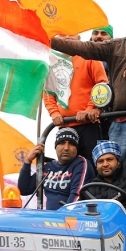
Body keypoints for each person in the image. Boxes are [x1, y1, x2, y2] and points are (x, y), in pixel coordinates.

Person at [51, 10, 126, 166]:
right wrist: (50, 41)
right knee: (113, 171)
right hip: (118, 123)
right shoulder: (116, 46)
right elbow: (84, 48)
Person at [43, 34, 108, 165]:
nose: (67, 37)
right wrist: (54, 113)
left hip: (90, 125)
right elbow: (48, 93)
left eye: (71, 34)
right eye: (62, 35)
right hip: (64, 127)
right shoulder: (51, 62)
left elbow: (102, 85)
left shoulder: (90, 57)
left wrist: (89, 110)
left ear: (79, 38)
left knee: (94, 165)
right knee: (67, 167)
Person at [17, 127, 92, 210]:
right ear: (55, 147)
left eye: (71, 143)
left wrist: (62, 216)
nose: (66, 148)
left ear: (76, 148)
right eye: (62, 143)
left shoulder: (81, 163)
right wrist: (28, 160)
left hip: (70, 218)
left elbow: (77, 195)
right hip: (50, 219)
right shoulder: (48, 167)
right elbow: (24, 189)